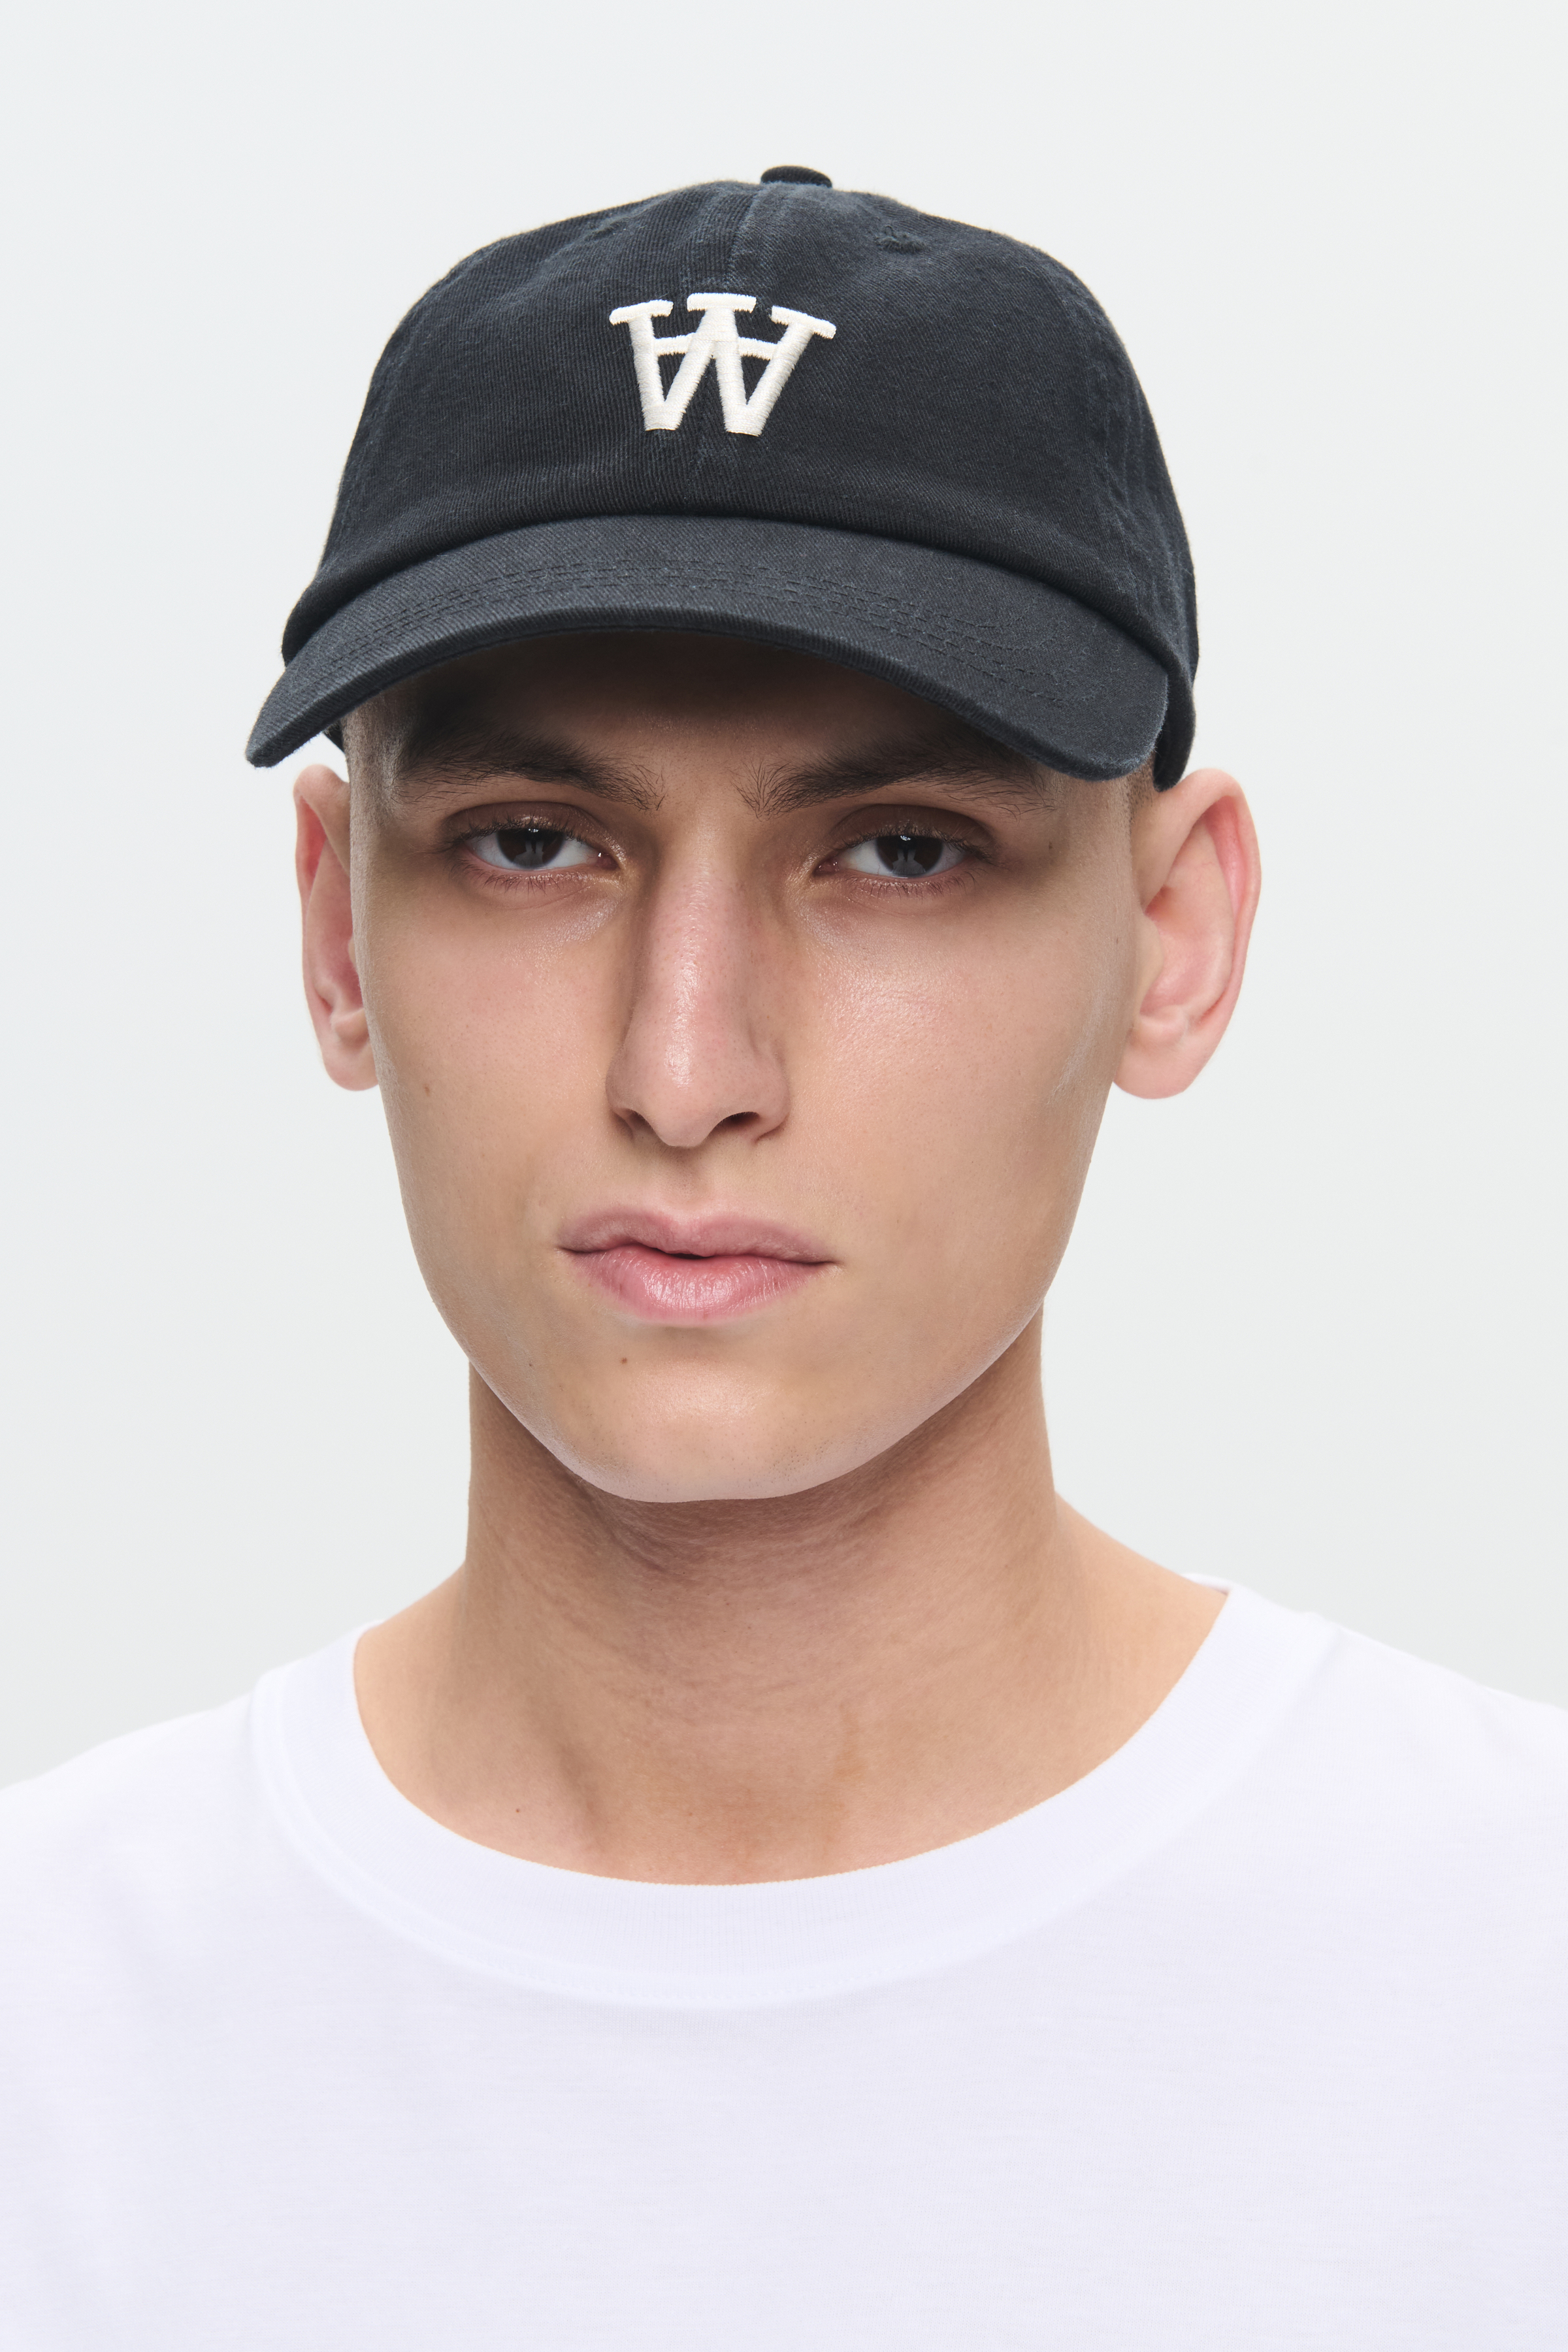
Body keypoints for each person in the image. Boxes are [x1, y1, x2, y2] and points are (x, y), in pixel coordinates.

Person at [2, 167, 1563, 2349]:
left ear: (1175, 938)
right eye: (531, 844)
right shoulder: (55, 2040)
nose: (686, 1066)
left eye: (902, 852)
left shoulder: (1513, 1986)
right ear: (334, 931)